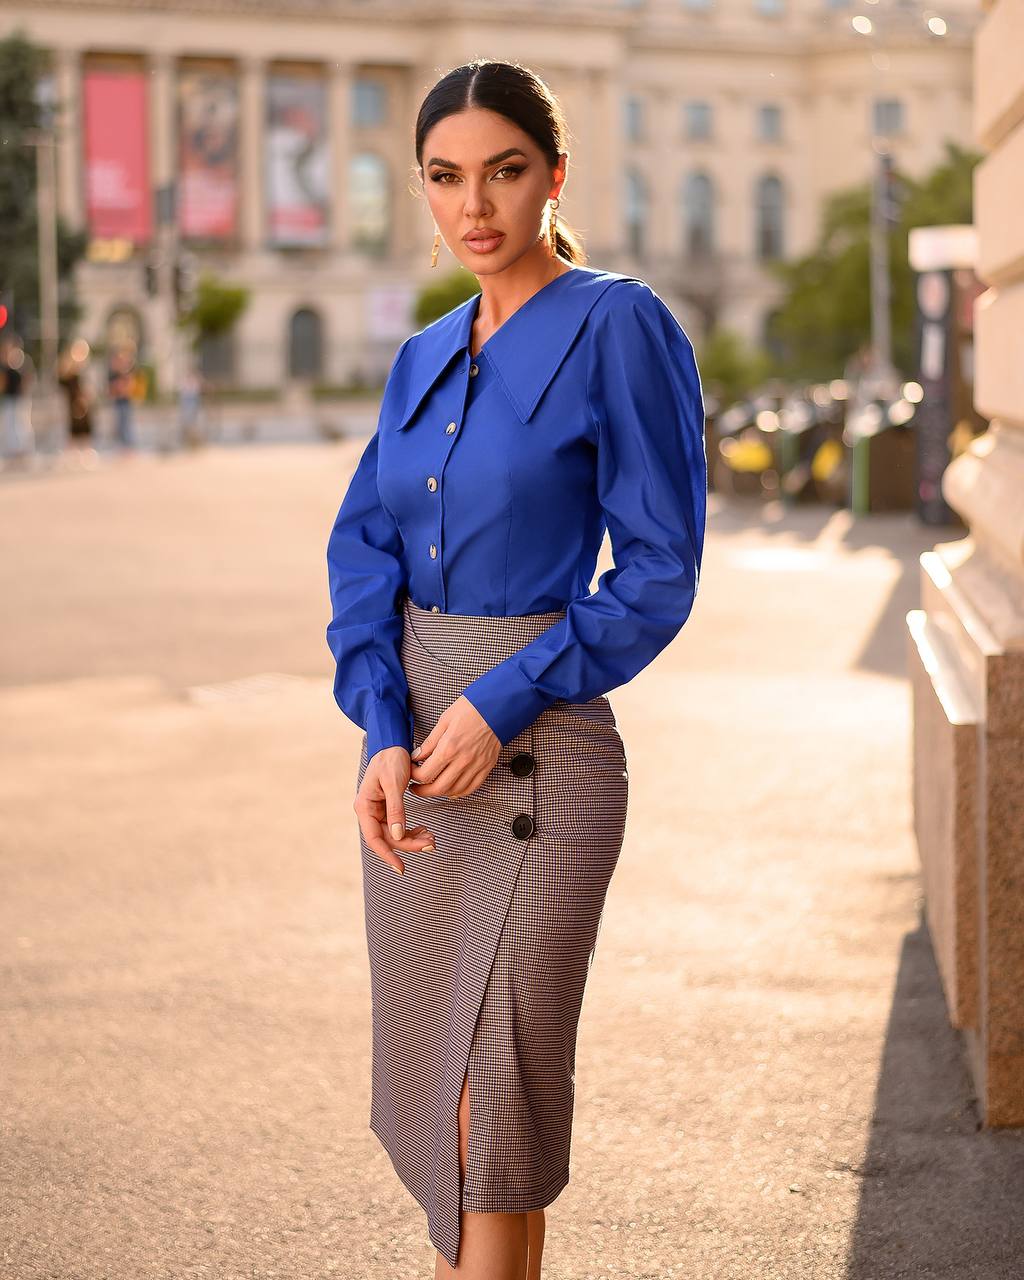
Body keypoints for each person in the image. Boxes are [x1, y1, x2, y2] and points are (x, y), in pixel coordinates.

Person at [324, 59, 707, 1280]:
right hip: (421, 759)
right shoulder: (423, 352)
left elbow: (657, 568)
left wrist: (500, 698)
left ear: (554, 175)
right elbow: (362, 548)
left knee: (497, 1104)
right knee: (448, 1104)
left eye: (503, 171)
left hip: (540, 752)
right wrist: (383, 729)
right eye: (445, 177)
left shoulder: (619, 323)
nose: (473, 204)